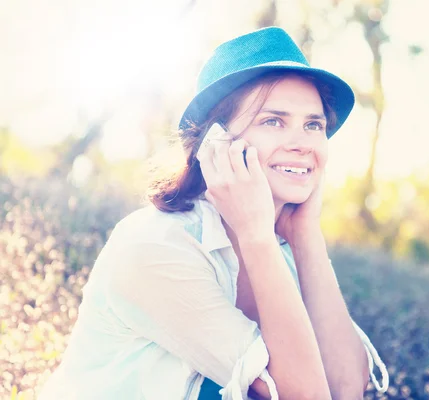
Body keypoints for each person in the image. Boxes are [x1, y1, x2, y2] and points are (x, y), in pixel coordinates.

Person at [38, 26, 389, 400]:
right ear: (215, 143)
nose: (302, 143)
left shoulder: (281, 252)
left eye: (313, 125)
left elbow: (346, 389)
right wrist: (257, 237)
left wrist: (307, 237)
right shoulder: (157, 246)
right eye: (273, 121)